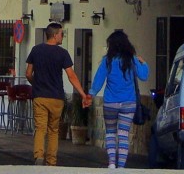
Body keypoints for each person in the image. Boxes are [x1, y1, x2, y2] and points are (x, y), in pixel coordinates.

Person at [26, 22, 90, 166]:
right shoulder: (63, 53)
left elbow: (28, 73)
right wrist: (83, 94)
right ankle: (51, 161)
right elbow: (71, 75)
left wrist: (36, 84)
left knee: (40, 128)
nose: (63, 36)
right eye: (62, 33)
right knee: (53, 130)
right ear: (55, 35)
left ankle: (39, 156)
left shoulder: (36, 50)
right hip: (56, 97)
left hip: (40, 96)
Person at [86, 29, 149, 170]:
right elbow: (144, 76)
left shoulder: (107, 60)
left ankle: (112, 164)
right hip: (128, 103)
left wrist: (91, 94)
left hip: (110, 103)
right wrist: (144, 63)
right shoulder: (132, 59)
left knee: (110, 133)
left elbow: (98, 80)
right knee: (123, 134)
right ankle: (121, 167)